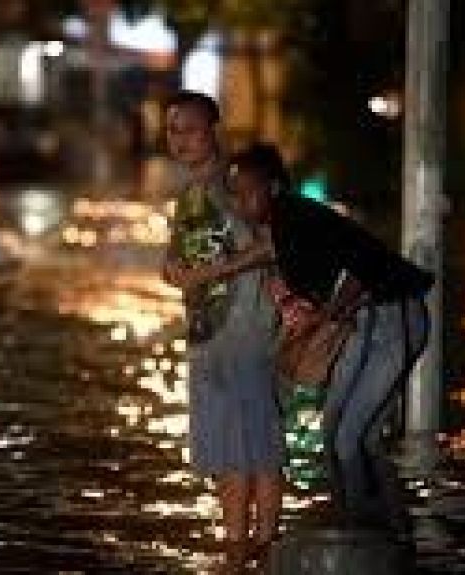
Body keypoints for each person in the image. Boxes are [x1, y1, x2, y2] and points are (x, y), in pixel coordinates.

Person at [161, 94, 284, 571]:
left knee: (257, 447)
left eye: (189, 129)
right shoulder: (189, 196)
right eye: (172, 130)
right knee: (227, 451)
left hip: (248, 330)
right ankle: (239, 551)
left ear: (213, 130)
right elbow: (175, 264)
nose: (180, 140)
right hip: (207, 335)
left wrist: (213, 273)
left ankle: (256, 549)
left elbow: (272, 244)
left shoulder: (238, 184)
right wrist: (174, 271)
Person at [269, 187, 433, 537]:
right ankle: (375, 525)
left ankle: (363, 531)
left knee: (351, 439)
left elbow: (359, 272)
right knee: (339, 433)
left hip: (391, 317)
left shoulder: (307, 229)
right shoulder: (291, 240)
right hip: (367, 323)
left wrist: (324, 315)